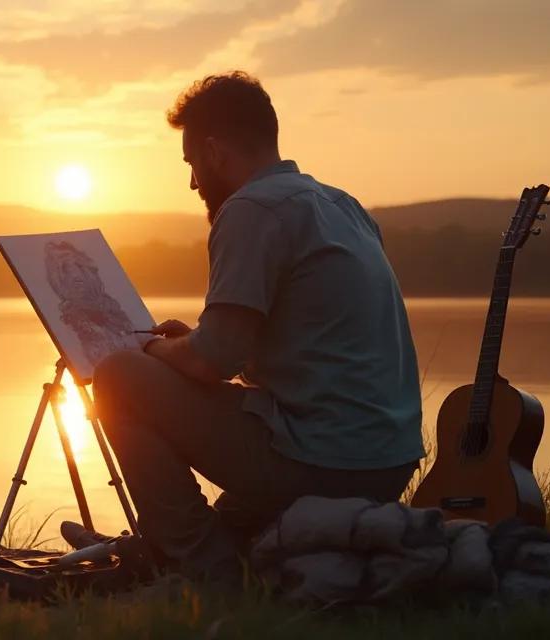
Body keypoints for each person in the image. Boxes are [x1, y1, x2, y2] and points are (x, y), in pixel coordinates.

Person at [91, 71, 424, 583]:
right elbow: (290, 347)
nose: (193, 183)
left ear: (214, 151)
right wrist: (193, 344)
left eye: (192, 165)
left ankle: (205, 570)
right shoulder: (343, 206)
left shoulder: (250, 209)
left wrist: (157, 354)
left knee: (116, 375)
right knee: (235, 521)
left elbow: (211, 360)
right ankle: (193, 546)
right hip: (388, 462)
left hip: (327, 462)